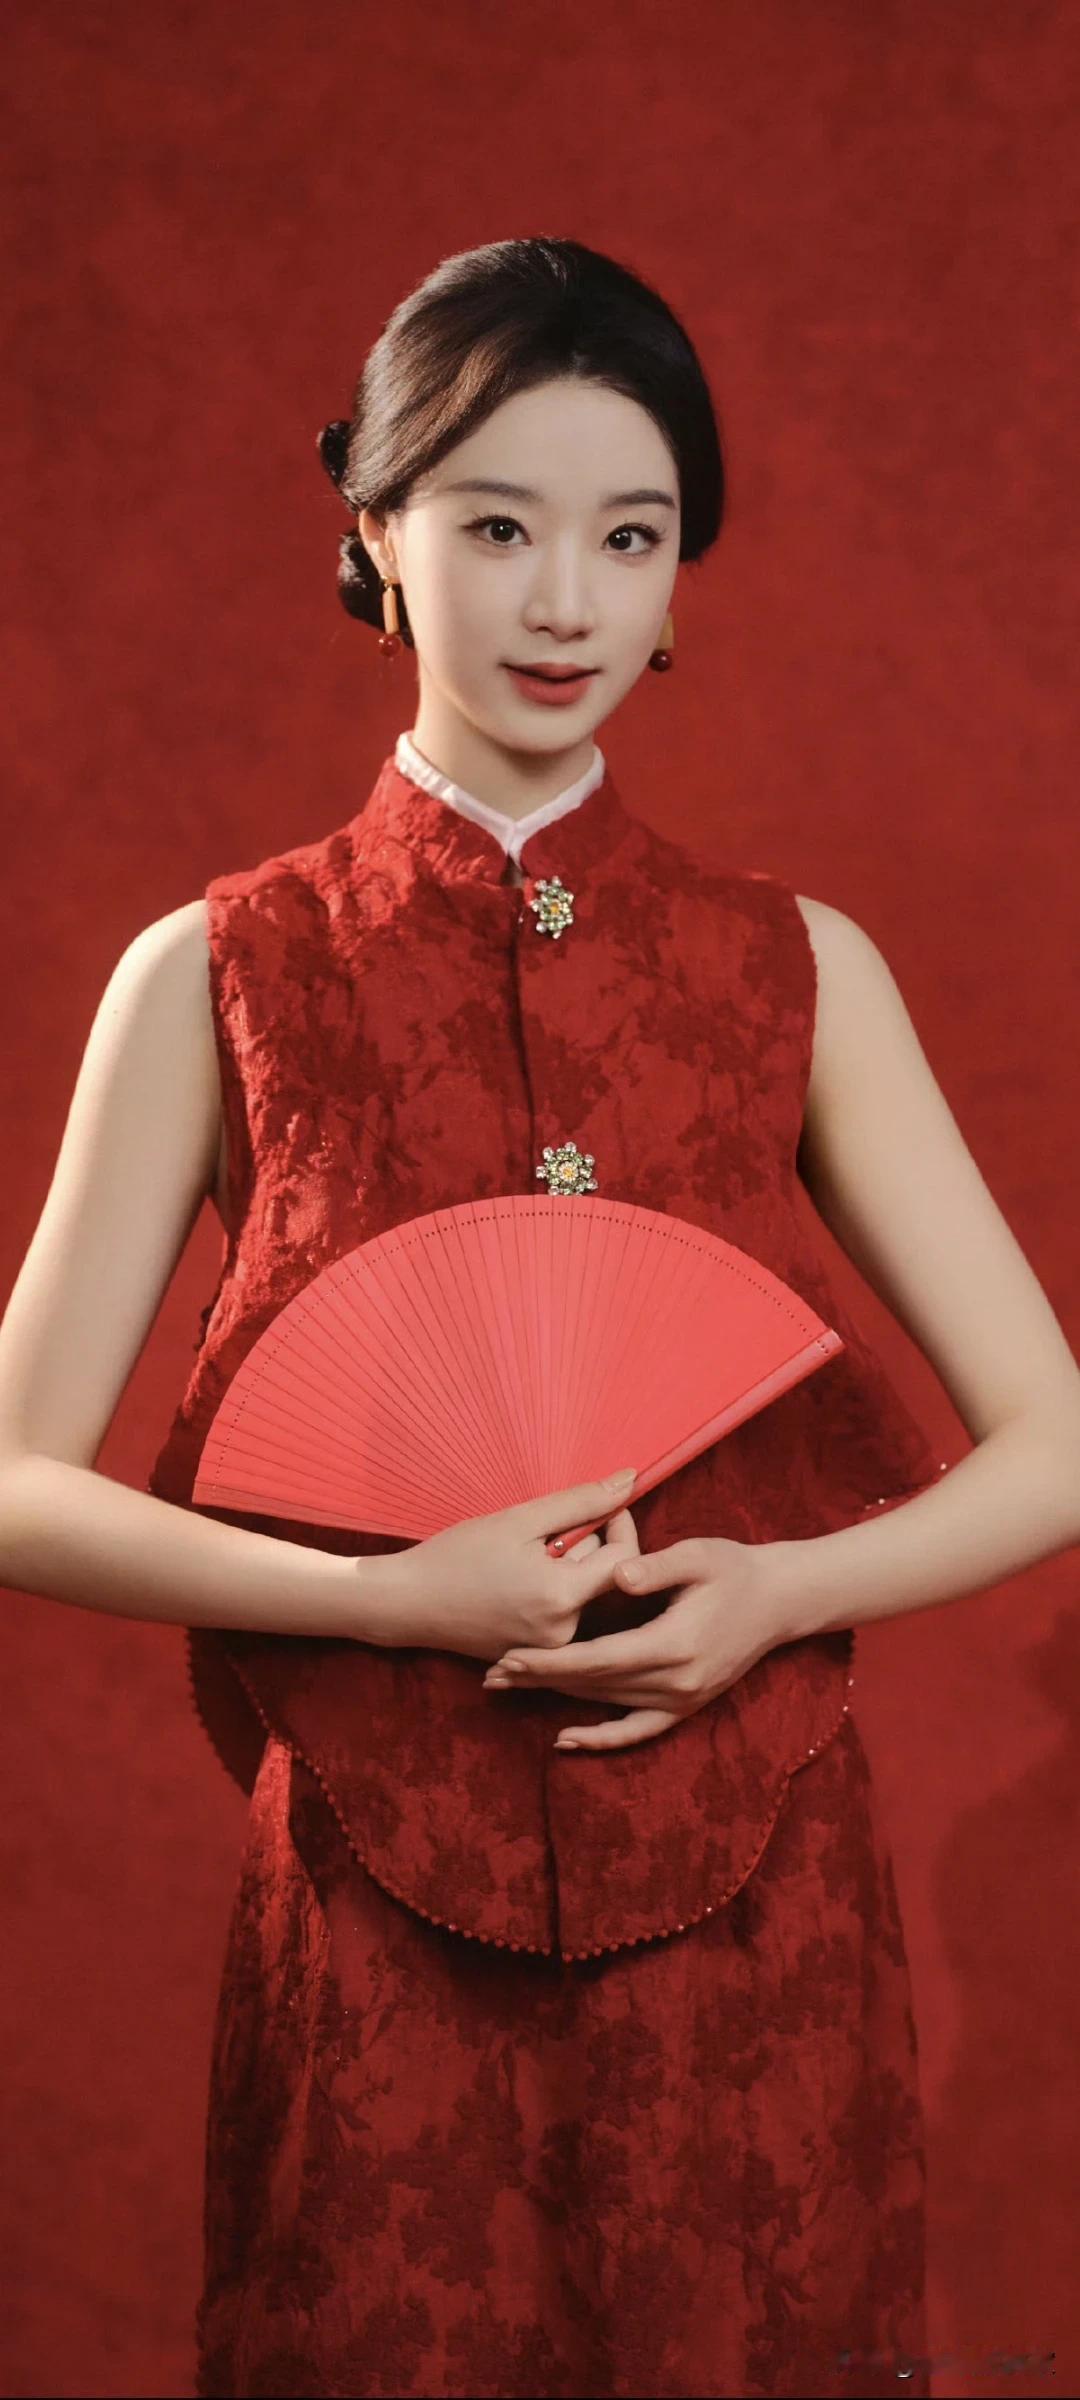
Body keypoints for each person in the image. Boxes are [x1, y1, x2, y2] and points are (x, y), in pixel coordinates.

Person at [4, 236, 1080, 2400]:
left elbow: (1057, 1436)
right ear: (375, 535)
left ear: (681, 579)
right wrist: (392, 1603)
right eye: (497, 527)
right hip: (379, 1910)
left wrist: (781, 1590)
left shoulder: (797, 969)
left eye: (631, 536)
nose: (566, 601)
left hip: (756, 1898)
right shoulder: (219, 973)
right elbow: (10, 1482)